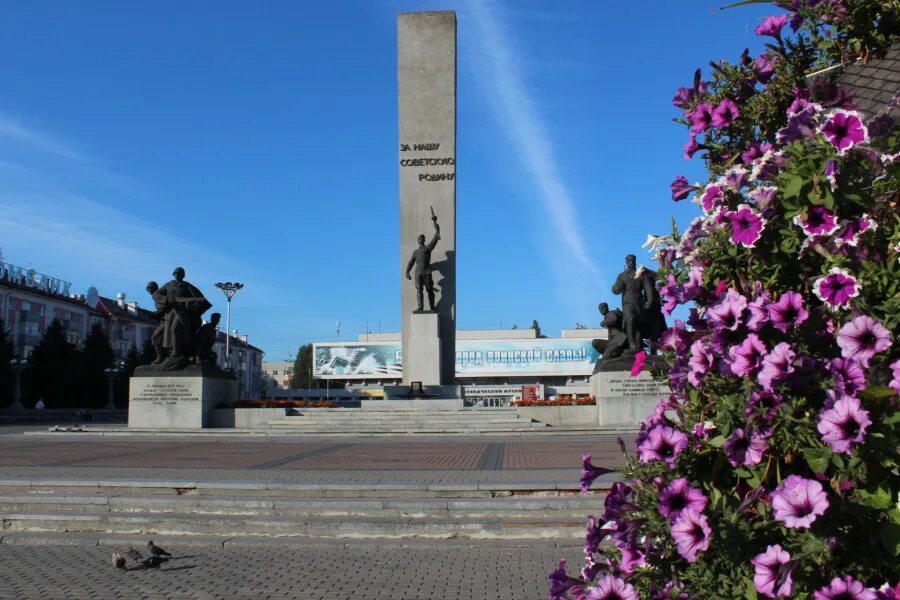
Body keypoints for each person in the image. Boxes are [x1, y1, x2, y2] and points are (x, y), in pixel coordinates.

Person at [152, 267, 211, 361]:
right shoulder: (168, 285)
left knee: (176, 330)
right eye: (175, 273)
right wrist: (166, 300)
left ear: (183, 275)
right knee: (166, 334)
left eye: (179, 273)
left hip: (183, 314)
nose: (177, 275)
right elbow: (156, 295)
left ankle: (178, 352)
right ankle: (170, 353)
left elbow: (200, 301)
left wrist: (191, 307)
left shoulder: (188, 286)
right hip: (171, 314)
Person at [405, 213, 441, 312]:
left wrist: (436, 226)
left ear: (424, 240)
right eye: (419, 239)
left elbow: (435, 237)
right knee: (419, 290)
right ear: (418, 241)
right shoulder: (415, 252)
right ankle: (420, 306)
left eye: (422, 238)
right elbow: (411, 262)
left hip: (427, 272)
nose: (420, 240)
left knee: (429, 290)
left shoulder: (427, 248)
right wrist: (407, 272)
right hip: (418, 273)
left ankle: (432, 307)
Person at [611, 254, 647, 350]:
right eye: (629, 261)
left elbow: (647, 289)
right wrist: (616, 287)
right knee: (630, 319)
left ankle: (639, 343)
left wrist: (648, 302)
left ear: (635, 261)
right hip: (627, 302)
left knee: (638, 324)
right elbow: (616, 290)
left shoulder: (640, 274)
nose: (631, 262)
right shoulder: (622, 276)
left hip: (639, 302)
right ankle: (631, 342)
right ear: (626, 262)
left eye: (633, 260)